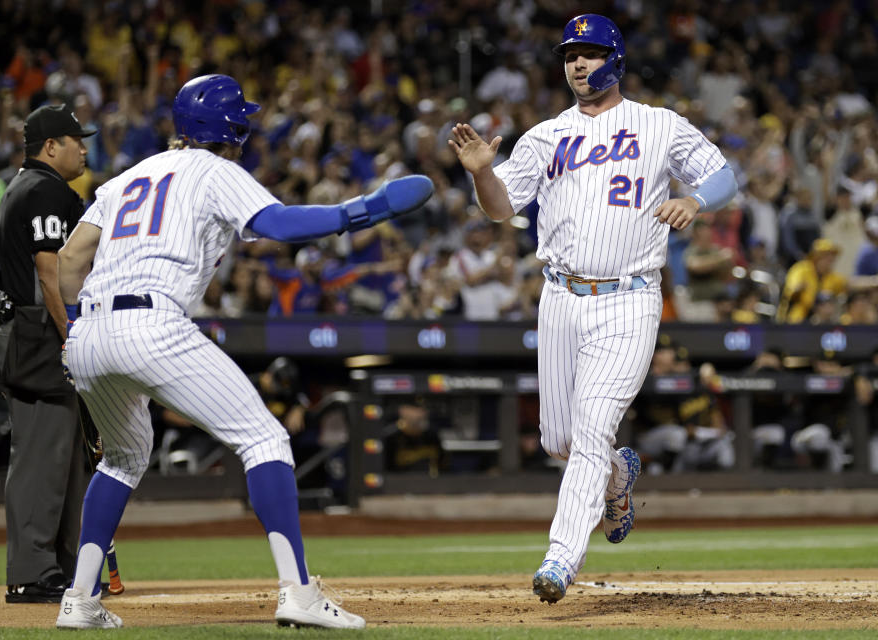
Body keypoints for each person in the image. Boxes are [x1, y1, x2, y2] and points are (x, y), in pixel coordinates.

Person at [54, 74, 432, 629]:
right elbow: (276, 223)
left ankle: (79, 599)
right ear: (232, 127)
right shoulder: (216, 170)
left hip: (86, 330)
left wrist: (76, 333)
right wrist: (361, 211)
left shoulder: (125, 178)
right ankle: (299, 592)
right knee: (264, 438)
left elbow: (69, 261)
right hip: (153, 322)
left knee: (124, 458)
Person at [448, 14, 736, 604]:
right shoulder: (546, 134)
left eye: (589, 52)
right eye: (569, 54)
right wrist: (482, 176)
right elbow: (502, 210)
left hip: (629, 298)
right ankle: (618, 478)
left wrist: (694, 201)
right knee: (560, 438)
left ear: (616, 59)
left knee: (592, 428)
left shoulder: (657, 124)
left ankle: (559, 559)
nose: (577, 63)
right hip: (559, 298)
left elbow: (724, 175)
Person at [0, 104, 98, 604]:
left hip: (30, 329)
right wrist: (72, 335)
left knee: (62, 454)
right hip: (37, 332)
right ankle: (34, 571)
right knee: (43, 452)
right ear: (50, 146)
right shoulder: (45, 189)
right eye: (76, 139)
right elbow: (49, 272)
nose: (84, 147)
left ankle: (61, 567)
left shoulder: (31, 187)